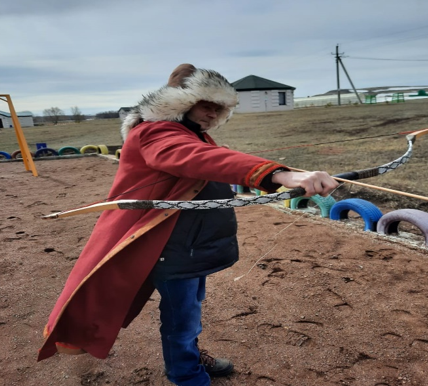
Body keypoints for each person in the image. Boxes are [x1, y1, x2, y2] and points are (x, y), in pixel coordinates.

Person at [38, 64, 338, 385]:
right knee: (183, 317)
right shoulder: (154, 133)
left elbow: (212, 157)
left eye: (219, 108)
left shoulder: (189, 132)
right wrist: (281, 174)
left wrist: (280, 172)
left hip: (189, 241)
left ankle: (189, 360)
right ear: (180, 103)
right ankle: (187, 375)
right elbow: (195, 157)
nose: (212, 114)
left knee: (190, 308)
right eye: (206, 105)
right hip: (167, 244)